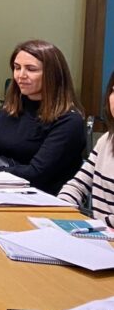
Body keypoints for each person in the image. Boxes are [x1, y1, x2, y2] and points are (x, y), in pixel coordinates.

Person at [0, 40, 86, 194]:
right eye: (17, 68)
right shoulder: (11, 107)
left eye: (31, 69)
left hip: (39, 195)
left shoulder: (69, 121)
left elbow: (36, 174)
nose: (21, 75)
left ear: (52, 75)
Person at [59, 71, 113, 227]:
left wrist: (91, 227)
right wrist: (59, 210)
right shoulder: (107, 140)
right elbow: (78, 185)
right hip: (98, 233)